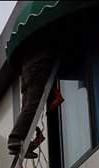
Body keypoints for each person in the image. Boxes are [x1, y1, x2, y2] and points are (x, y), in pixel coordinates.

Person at [7, 27, 64, 159]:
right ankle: (15, 138)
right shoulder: (46, 34)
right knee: (33, 104)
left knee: (28, 105)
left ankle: (23, 142)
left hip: (26, 71)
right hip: (37, 68)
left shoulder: (30, 37)